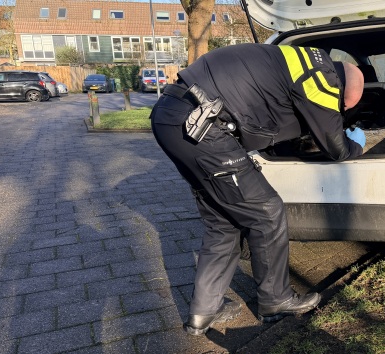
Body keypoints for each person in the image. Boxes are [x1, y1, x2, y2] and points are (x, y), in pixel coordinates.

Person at [150, 43, 366, 336]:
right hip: (203, 126)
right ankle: (275, 300)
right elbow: (336, 146)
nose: (338, 109)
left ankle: (203, 311)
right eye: (343, 106)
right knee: (266, 211)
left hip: (171, 116)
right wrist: (359, 143)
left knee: (223, 221)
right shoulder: (323, 78)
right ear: (342, 89)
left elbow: (271, 106)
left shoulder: (301, 56)